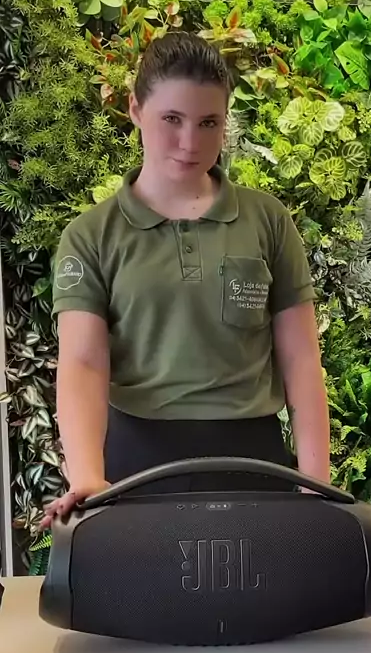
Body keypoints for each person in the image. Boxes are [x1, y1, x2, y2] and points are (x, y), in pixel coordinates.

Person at [41, 31, 330, 529]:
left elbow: (301, 358)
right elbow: (84, 363)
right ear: (136, 110)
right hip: (136, 465)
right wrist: (86, 476)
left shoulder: (267, 220)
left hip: (253, 461)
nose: (190, 143)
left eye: (208, 122)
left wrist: (315, 482)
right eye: (171, 119)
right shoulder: (91, 235)